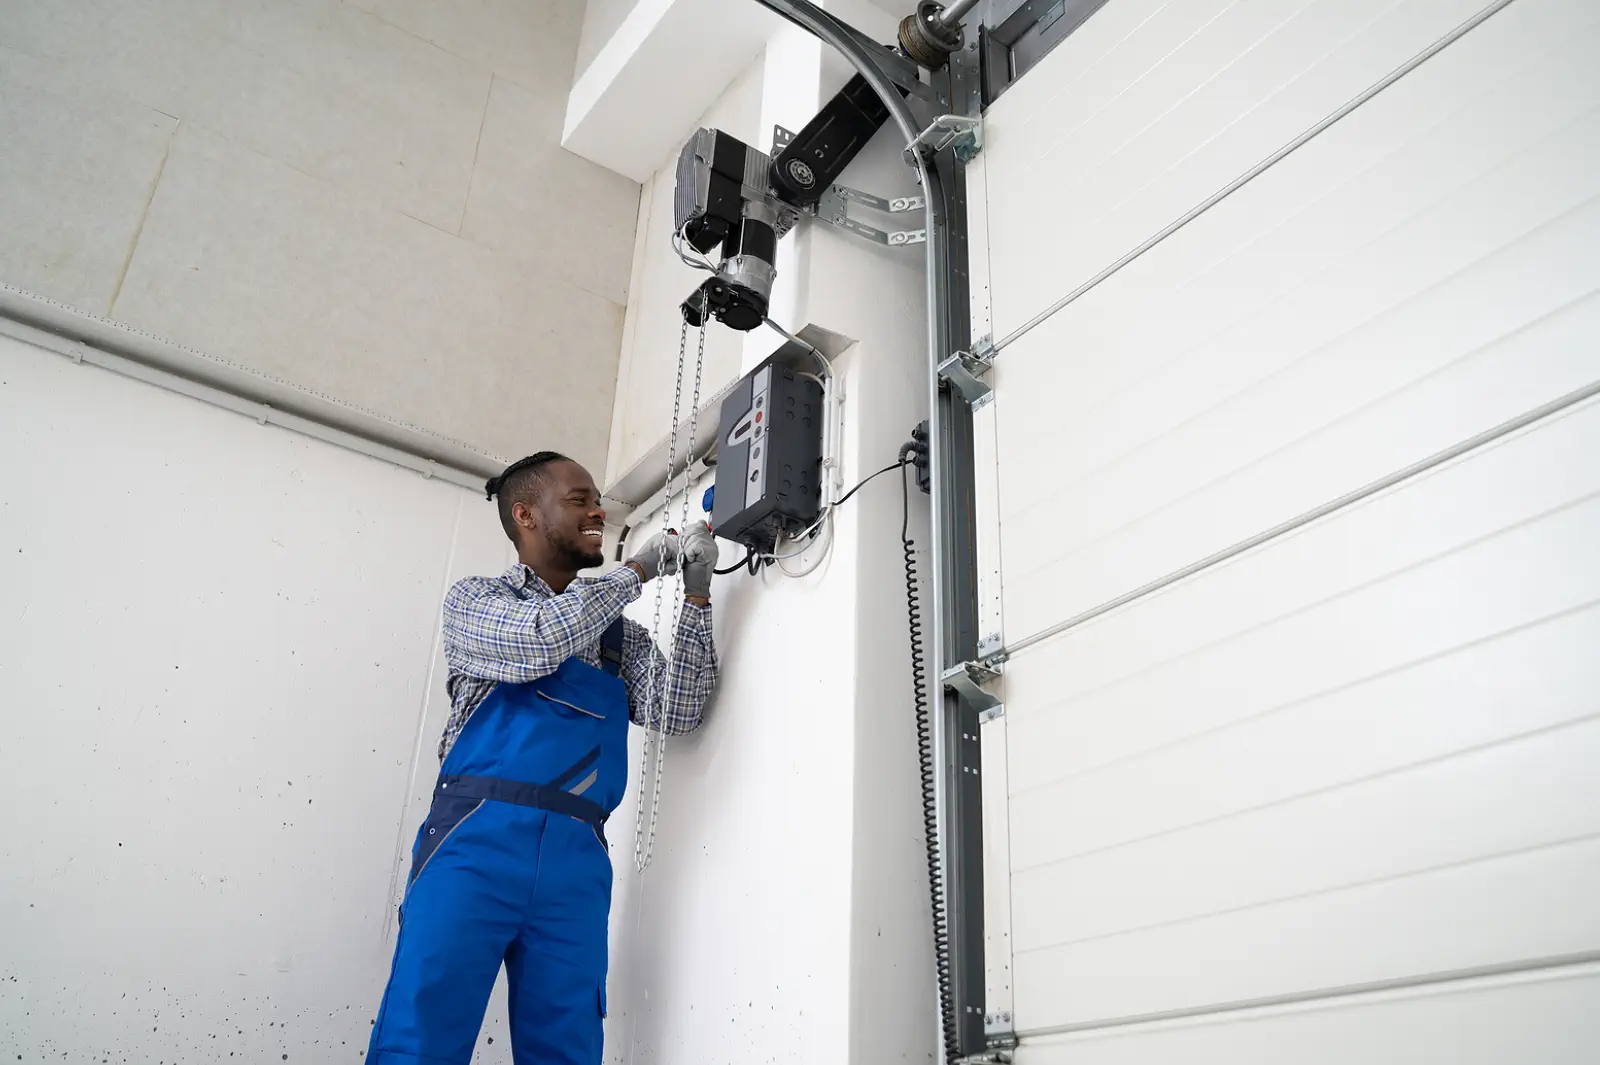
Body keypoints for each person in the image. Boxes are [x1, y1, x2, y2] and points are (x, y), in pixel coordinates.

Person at [367, 451, 719, 1065]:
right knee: (421, 1034)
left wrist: (695, 598)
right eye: (579, 499)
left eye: (595, 498)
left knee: (568, 1047)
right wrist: (635, 571)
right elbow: (538, 642)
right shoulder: (477, 601)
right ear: (526, 515)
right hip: (474, 840)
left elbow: (679, 710)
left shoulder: (619, 635)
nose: (598, 511)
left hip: (577, 859)